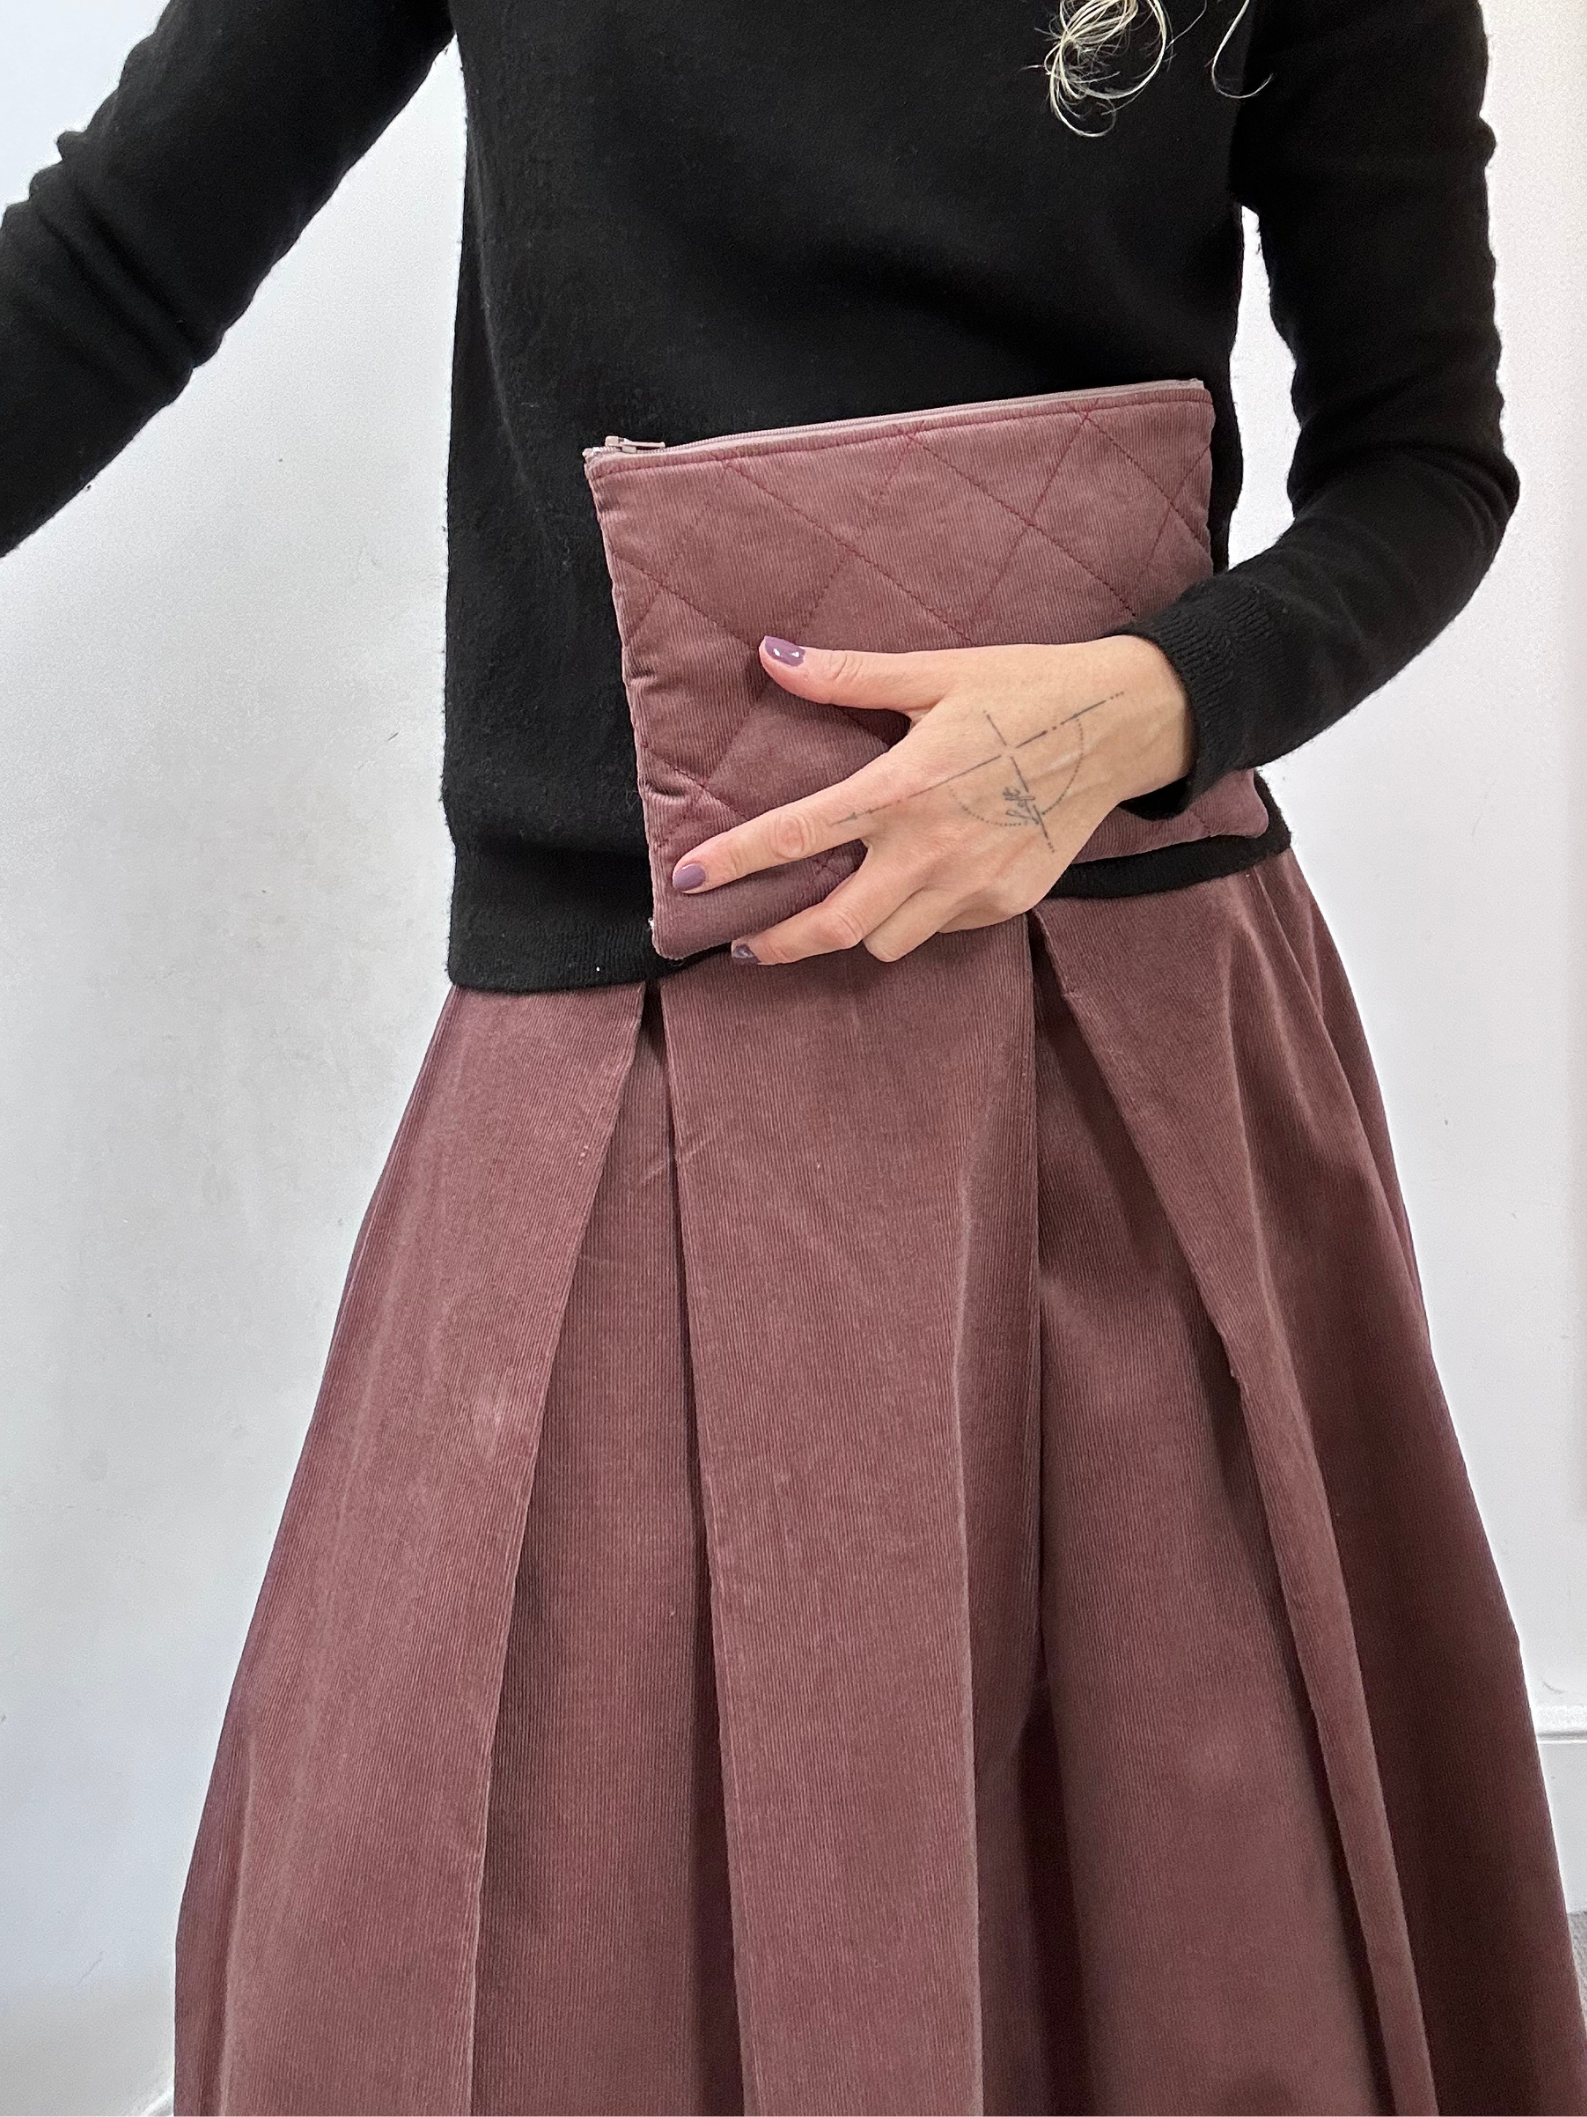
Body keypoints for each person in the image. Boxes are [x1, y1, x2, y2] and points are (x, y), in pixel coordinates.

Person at [4, 1, 1583, 2112]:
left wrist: (1129, 711)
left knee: (1193, 1965)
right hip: (623, 1052)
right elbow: (114, 266)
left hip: (1127, 1065)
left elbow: (1424, 457)